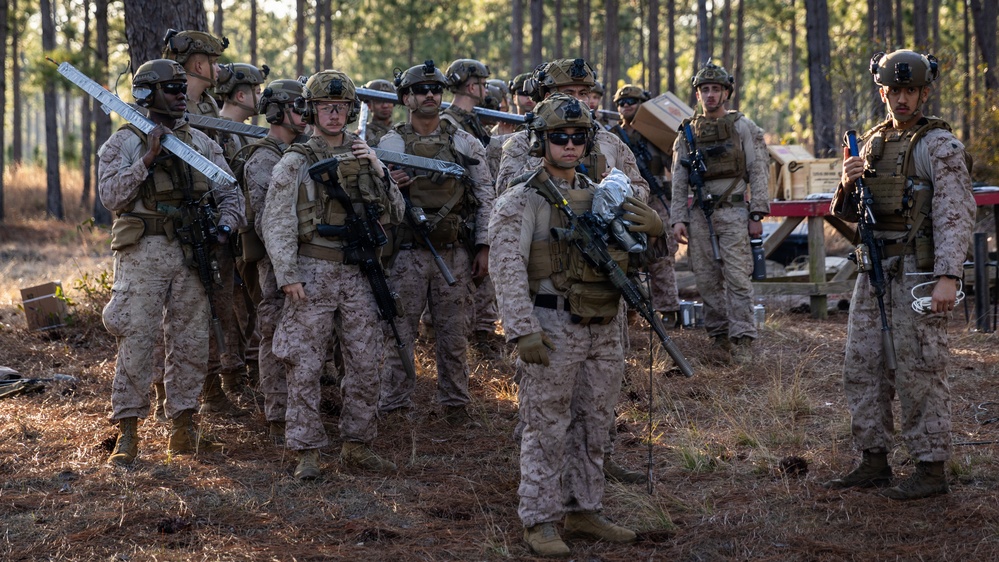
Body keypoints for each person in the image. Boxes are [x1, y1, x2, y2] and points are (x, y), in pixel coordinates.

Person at [490, 93, 665, 557]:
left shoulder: (606, 192)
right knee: (546, 425)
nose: (569, 145)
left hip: (603, 324)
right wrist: (521, 329)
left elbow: (640, 256)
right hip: (551, 320)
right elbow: (505, 267)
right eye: (559, 138)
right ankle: (540, 519)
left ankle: (584, 508)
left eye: (577, 137)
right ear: (541, 142)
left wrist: (656, 228)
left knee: (595, 422)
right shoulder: (522, 198)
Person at [824, 49, 975, 500]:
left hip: (918, 273)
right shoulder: (872, 143)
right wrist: (849, 182)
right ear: (882, 92)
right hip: (875, 270)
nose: (902, 99)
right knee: (863, 364)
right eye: (894, 91)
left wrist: (948, 276)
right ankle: (873, 460)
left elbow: (956, 214)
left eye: (910, 91)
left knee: (921, 368)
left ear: (924, 92)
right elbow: (850, 214)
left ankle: (930, 469)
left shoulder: (939, 146)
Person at [497, 58, 651, 485]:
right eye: (568, 94)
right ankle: (540, 468)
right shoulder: (523, 144)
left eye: (585, 94)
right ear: (545, 97)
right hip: (552, 279)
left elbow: (639, 189)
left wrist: (614, 200)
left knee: (601, 385)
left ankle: (596, 461)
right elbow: (510, 196)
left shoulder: (609, 143)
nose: (578, 102)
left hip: (603, 280)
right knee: (544, 387)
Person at [260, 69, 406, 479]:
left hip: (360, 273)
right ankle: (306, 449)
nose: (334, 115)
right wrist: (287, 274)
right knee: (304, 363)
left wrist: (378, 168)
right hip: (312, 271)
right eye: (326, 107)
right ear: (311, 111)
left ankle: (357, 444)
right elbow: (276, 222)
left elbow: (397, 213)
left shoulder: (365, 157)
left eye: (341, 108)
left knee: (363, 359)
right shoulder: (296, 161)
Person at [100, 58, 245, 465]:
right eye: (173, 89)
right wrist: (146, 160)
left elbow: (231, 194)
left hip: (190, 253)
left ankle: (184, 426)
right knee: (137, 338)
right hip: (143, 253)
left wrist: (224, 228)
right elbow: (111, 197)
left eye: (184, 88)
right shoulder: (124, 143)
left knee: (191, 341)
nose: (183, 96)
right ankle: (128, 431)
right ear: (147, 94)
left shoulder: (201, 143)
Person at [375, 60, 494, 425]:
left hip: (453, 252)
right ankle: (394, 405)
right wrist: (389, 185)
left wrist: (484, 246)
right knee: (399, 332)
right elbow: (373, 202)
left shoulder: (463, 140)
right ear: (406, 98)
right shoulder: (390, 142)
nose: (430, 95)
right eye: (421, 90)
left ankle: (456, 405)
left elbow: (485, 194)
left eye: (435, 89)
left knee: (454, 334)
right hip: (407, 253)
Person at [162, 28, 247, 415]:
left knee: (219, 304)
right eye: (213, 62)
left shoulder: (210, 107)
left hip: (216, 219)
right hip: (177, 224)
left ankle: (211, 389)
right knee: (173, 312)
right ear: (198, 63)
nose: (217, 69)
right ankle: (167, 392)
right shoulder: (169, 111)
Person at [670, 61, 770, 365]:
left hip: (735, 212)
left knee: (738, 277)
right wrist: (678, 218)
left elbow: (758, 168)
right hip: (701, 214)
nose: (710, 95)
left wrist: (757, 213)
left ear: (726, 92)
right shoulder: (687, 131)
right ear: (698, 94)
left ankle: (742, 339)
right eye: (704, 90)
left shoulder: (742, 126)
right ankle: (719, 336)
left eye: (715, 89)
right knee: (706, 278)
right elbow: (678, 177)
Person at [240, 77, 309, 444]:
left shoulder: (307, 150)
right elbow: (267, 219)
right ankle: (278, 414)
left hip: (308, 259)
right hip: (275, 263)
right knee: (274, 335)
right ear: (277, 112)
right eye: (299, 108)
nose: (306, 115)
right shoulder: (264, 158)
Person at [216, 61, 270, 395]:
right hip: (229, 236)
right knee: (235, 311)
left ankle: (247, 375)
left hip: (244, 234)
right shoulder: (220, 130)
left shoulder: (243, 132)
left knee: (249, 309)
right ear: (240, 94)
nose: (261, 97)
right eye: (257, 91)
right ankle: (234, 380)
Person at [610, 85, 681, 326]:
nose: (626, 105)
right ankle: (630, 309)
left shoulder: (654, 134)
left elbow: (674, 162)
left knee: (661, 256)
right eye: (622, 102)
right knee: (625, 255)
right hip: (623, 200)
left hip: (655, 200)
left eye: (632, 101)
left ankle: (668, 309)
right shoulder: (613, 136)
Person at [441, 58, 493, 147]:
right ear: (471, 87)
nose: (486, 91)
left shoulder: (470, 118)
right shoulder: (448, 123)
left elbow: (489, 145)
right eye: (484, 85)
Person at [360, 78, 397, 146]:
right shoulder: (363, 133)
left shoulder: (400, 132)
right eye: (379, 101)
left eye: (389, 100)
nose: (385, 105)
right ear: (369, 105)